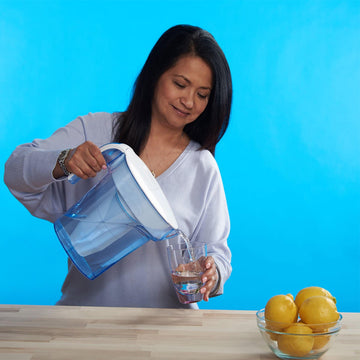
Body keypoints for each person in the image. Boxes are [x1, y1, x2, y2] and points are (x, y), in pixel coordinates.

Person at [4, 24, 232, 309]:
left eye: (202, 94)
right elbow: (15, 169)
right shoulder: (97, 131)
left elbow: (217, 253)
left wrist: (211, 273)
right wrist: (64, 160)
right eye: (180, 84)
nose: (188, 101)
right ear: (155, 75)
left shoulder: (202, 166)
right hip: (84, 322)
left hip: (166, 332)